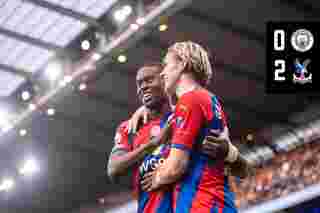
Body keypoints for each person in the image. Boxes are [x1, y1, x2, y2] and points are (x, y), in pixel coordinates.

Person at [107, 63, 237, 213]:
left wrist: (226, 150)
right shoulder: (129, 128)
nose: (143, 87)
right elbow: (113, 169)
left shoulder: (185, 115)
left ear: (165, 80)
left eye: (149, 80)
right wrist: (155, 143)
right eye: (139, 84)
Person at [140, 41, 241, 213]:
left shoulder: (189, 101)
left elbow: (176, 166)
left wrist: (157, 177)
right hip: (217, 201)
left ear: (182, 64)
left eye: (166, 65)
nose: (162, 73)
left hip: (201, 205)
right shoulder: (209, 99)